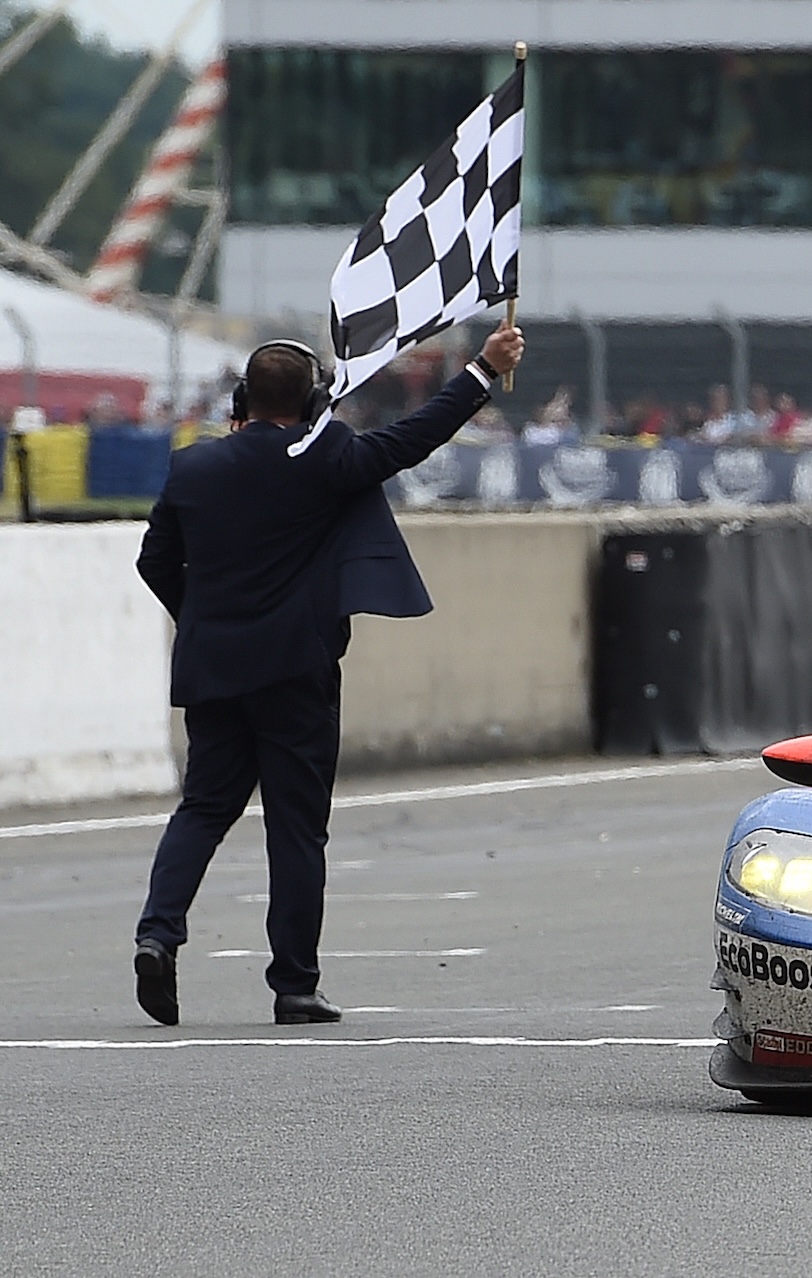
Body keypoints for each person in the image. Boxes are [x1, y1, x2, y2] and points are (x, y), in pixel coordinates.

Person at [130, 318, 526, 1027]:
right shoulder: (325, 455)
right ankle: (294, 985)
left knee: (202, 809)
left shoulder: (193, 466)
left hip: (213, 665)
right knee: (296, 828)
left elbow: (153, 561)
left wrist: (203, 622)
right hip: (297, 669)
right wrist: (482, 373)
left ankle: (157, 934)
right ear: (315, 403)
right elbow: (411, 439)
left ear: (240, 402)